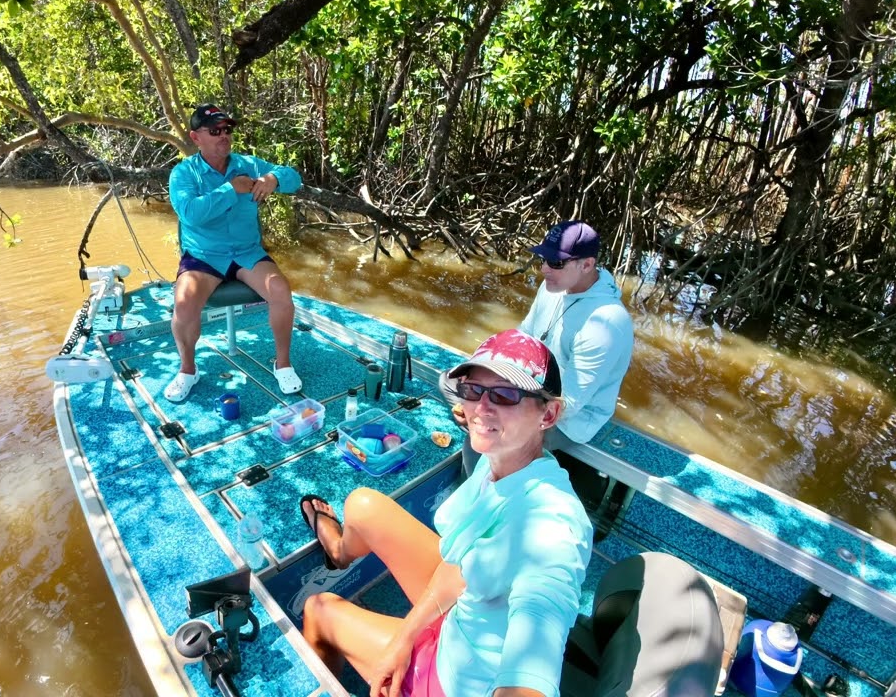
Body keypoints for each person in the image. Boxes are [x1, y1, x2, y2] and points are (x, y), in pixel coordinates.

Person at [300, 329, 592, 697]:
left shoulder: (552, 531)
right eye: (473, 390)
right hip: (463, 617)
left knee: (318, 609)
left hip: (455, 680)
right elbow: (460, 565)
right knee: (362, 503)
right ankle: (340, 554)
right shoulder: (503, 462)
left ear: (548, 414)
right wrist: (404, 637)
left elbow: (532, 670)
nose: (482, 408)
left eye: (505, 395)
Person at [165, 103, 304, 402]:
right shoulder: (183, 173)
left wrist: (273, 179)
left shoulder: (249, 164)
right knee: (185, 302)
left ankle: (282, 364)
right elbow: (190, 213)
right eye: (214, 131)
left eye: (227, 129)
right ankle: (188, 370)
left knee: (280, 291)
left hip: (246, 253)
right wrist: (231, 189)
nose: (223, 136)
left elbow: (295, 178)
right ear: (195, 137)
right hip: (204, 256)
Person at [517, 220, 634, 444]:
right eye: (543, 259)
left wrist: (507, 411)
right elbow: (524, 336)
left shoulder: (606, 323)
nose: (544, 269)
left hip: (571, 421)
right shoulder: (552, 287)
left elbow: (567, 403)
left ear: (587, 265)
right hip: (534, 391)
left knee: (489, 442)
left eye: (555, 262)